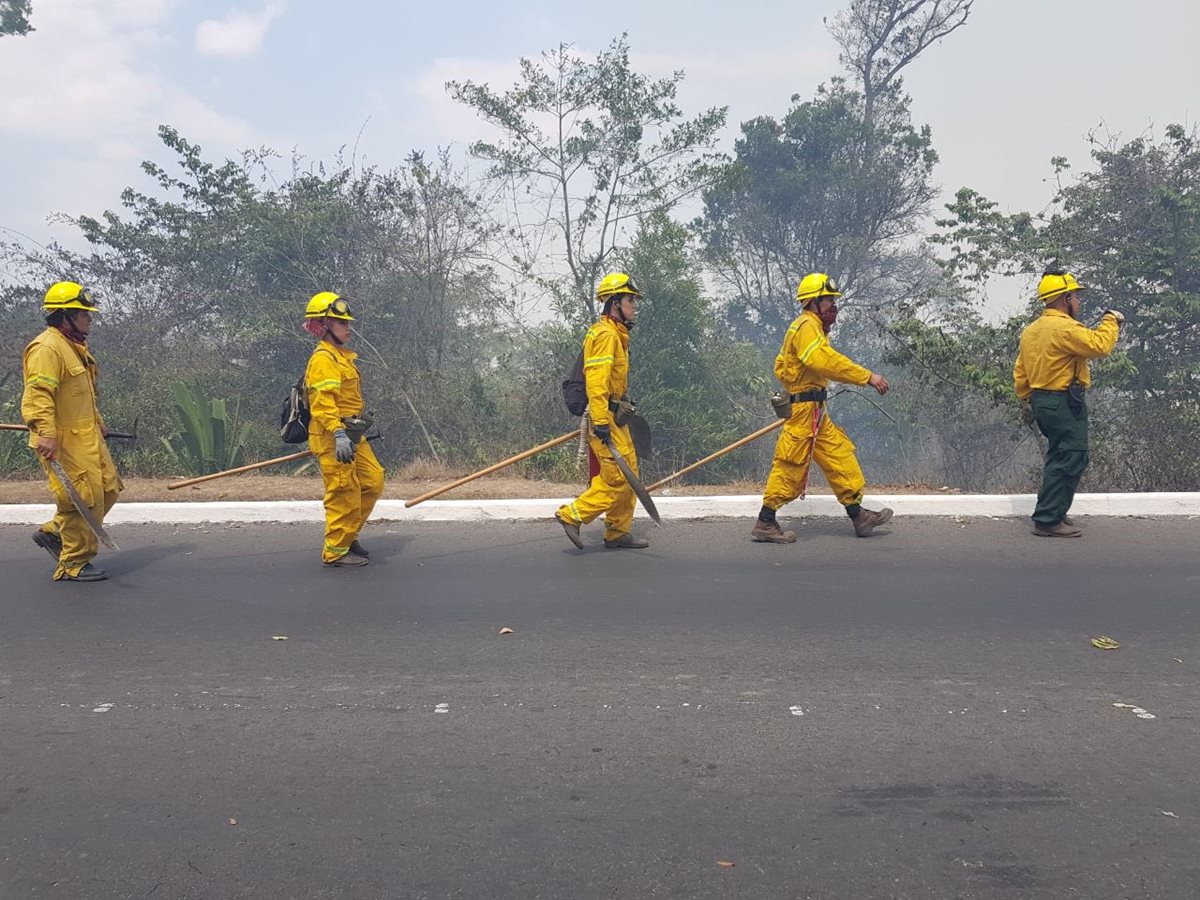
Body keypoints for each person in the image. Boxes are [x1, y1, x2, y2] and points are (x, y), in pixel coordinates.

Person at [751, 272, 893, 543]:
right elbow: (822, 360)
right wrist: (867, 376)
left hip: (816, 410)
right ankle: (765, 522)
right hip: (804, 411)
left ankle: (858, 516)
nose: (833, 307)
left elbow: (787, 364)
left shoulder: (811, 327)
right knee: (790, 465)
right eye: (828, 300)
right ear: (814, 302)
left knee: (839, 456)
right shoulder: (806, 325)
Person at [21, 281, 123, 582]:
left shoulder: (73, 347)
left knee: (108, 489)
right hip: (63, 438)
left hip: (87, 435)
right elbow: (38, 394)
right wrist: (46, 433)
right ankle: (73, 563)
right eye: (83, 313)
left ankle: (54, 531)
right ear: (64, 315)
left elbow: (81, 393)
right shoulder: (46, 348)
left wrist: (98, 422)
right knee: (83, 498)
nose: (89, 318)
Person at [1013, 269, 1123, 537]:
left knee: (1059, 456)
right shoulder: (1064, 328)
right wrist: (1112, 321)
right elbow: (1099, 346)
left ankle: (1055, 510)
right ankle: (1048, 519)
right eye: (1076, 297)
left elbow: (1020, 371)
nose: (1079, 303)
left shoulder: (1032, 330)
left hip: (1042, 400)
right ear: (1066, 298)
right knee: (1073, 456)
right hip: (1062, 402)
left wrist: (1029, 398)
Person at [555, 272, 649, 550]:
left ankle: (617, 531)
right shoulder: (606, 335)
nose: (634, 306)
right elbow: (596, 383)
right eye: (630, 300)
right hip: (603, 416)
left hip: (614, 414)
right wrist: (600, 422)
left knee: (629, 472)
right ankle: (572, 515)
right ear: (614, 303)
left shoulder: (616, 335)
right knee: (617, 477)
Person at [303, 292, 385, 566]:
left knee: (373, 482)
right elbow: (322, 404)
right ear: (324, 325)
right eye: (342, 323)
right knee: (343, 492)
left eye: (348, 322)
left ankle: (348, 535)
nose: (349, 327)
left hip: (352, 435)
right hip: (334, 437)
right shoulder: (323, 360)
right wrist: (338, 434)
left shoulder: (342, 357)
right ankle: (335, 551)